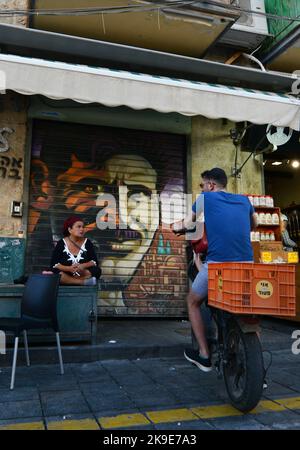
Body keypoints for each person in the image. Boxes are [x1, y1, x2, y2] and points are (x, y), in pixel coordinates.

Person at [173, 168, 257, 372]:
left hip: (218, 266)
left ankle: (204, 355)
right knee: (250, 312)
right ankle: (255, 366)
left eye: (202, 185)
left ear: (210, 185)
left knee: (192, 301)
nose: (201, 188)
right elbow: (254, 225)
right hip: (247, 266)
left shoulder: (205, 198)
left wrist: (176, 227)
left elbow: (185, 223)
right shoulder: (245, 201)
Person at [45, 216, 101, 286]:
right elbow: (54, 264)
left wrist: (82, 266)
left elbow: (94, 262)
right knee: (55, 272)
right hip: (66, 273)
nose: (82, 229)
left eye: (83, 227)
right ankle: (82, 282)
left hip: (82, 273)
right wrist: (69, 268)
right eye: (78, 227)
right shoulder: (61, 243)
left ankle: (69, 280)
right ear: (70, 229)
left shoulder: (87, 242)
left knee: (97, 271)